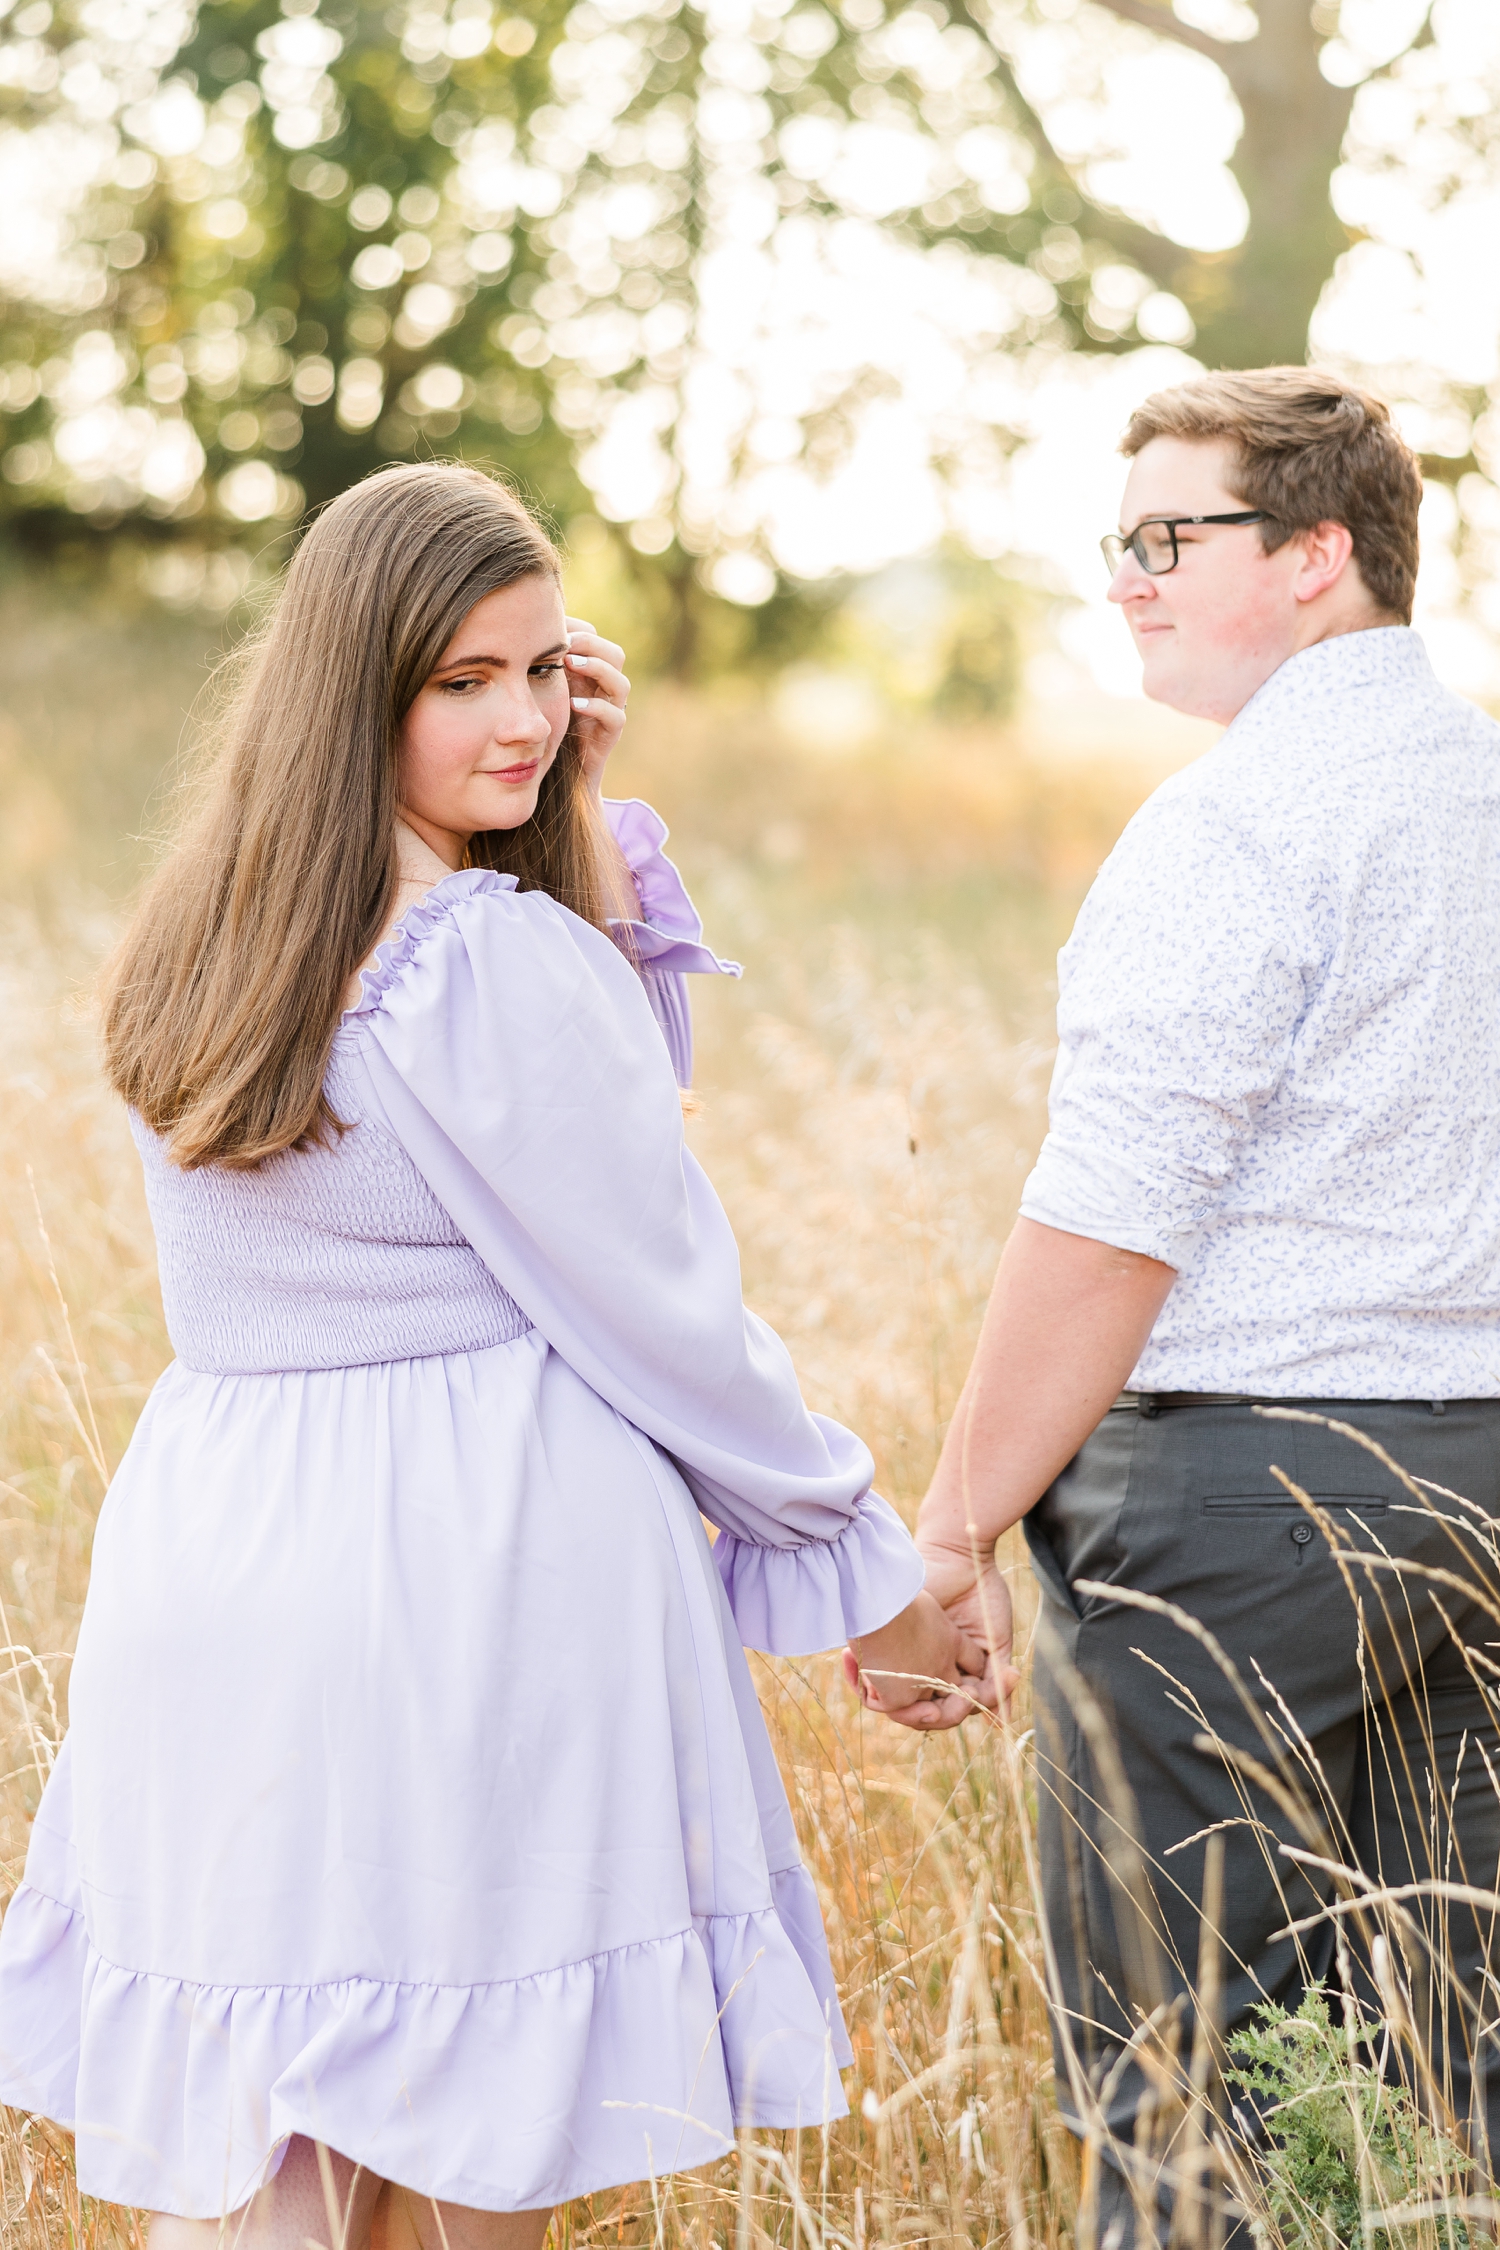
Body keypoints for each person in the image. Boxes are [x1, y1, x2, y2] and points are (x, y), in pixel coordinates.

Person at [0, 462, 992, 2249]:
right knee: (461, 2156)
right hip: (455, 1584)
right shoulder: (477, 958)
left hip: (225, 1563)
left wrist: (575, 835)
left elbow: (588, 1132)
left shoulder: (219, 936)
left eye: (547, 671)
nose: (526, 718)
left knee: (282, 2148)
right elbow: (661, 1295)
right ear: (357, 687)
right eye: (463, 680)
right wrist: (870, 1573)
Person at [901, 370, 1500, 2233]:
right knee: (1449, 2065)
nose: (1131, 579)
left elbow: (1107, 1225)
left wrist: (953, 1523)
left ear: (1318, 556)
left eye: (1175, 537)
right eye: (1125, 541)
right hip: (1485, 1498)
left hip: (1243, 1525)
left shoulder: (1235, 827)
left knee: (1187, 2095)